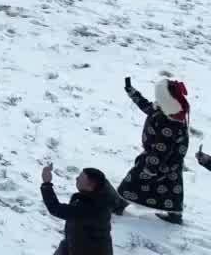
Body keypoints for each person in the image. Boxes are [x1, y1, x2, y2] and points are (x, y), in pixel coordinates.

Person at [119, 77, 190, 224]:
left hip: (159, 158)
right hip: (171, 161)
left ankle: (118, 204)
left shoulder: (171, 123)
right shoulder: (164, 110)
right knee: (172, 186)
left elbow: (161, 149)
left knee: (134, 179)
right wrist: (133, 93)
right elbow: (146, 106)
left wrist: (151, 167)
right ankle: (175, 214)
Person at [42, 164, 123, 255]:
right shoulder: (102, 190)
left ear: (90, 186)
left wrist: (46, 184)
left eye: (80, 178)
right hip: (74, 242)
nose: (76, 179)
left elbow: (55, 208)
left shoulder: (89, 209)